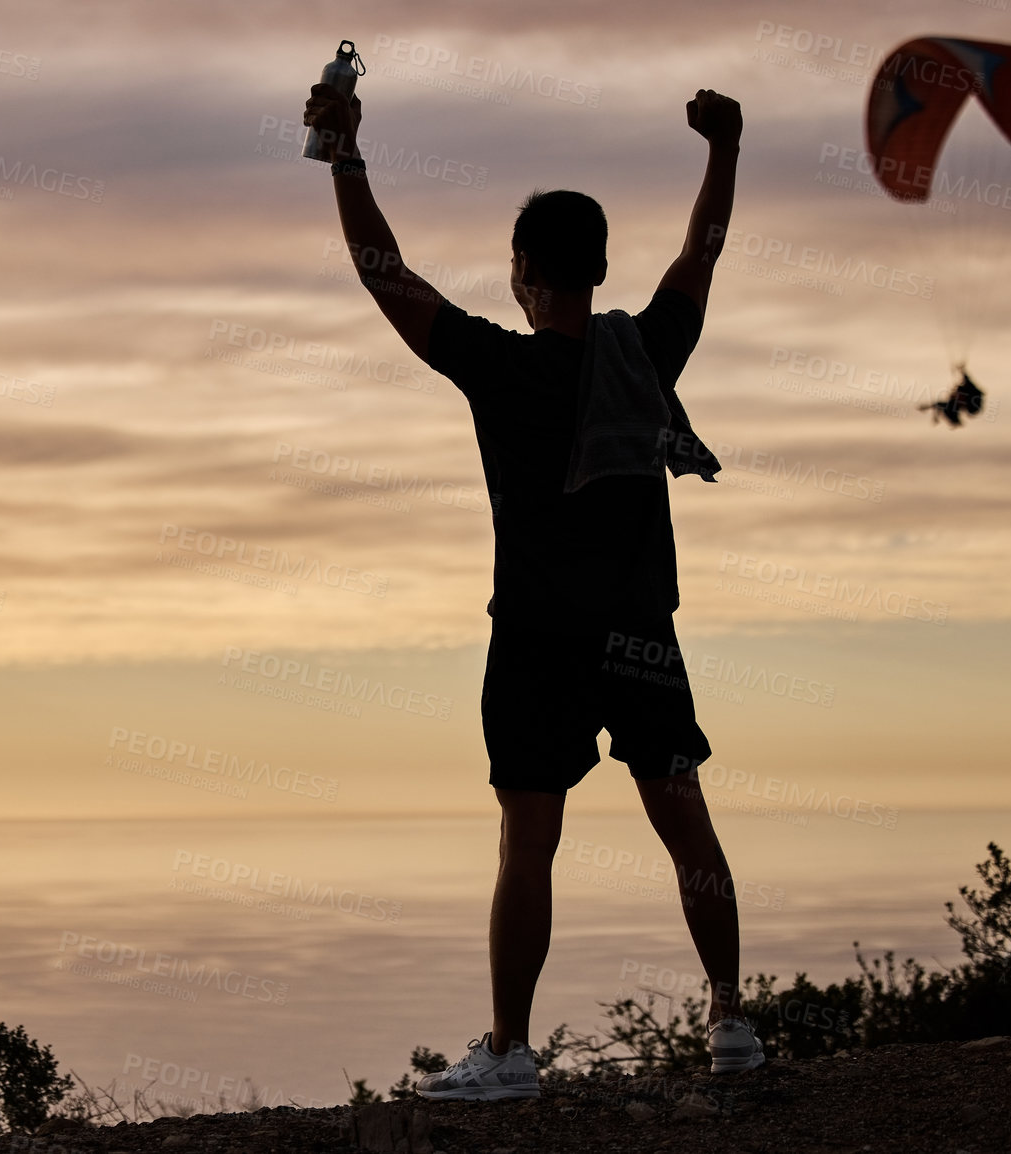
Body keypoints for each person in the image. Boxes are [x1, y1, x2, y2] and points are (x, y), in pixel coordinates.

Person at [302, 82, 764, 1098]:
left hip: (538, 637)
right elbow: (704, 251)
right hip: (641, 628)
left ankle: (511, 1050)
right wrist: (724, 147)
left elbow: (387, 276)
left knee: (527, 837)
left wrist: (343, 156)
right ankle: (730, 1019)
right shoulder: (647, 350)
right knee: (685, 815)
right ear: (598, 271)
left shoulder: (501, 368)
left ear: (522, 272)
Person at [920, 367, 984, 427]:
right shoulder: (962, 399)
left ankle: (955, 421)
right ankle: (955, 421)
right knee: (949, 406)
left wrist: (932, 413)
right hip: (968, 401)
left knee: (950, 406)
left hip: (970, 401)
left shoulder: (970, 396)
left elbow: (940, 405)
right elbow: (940, 405)